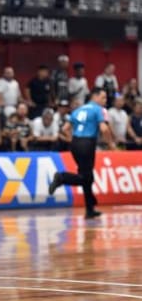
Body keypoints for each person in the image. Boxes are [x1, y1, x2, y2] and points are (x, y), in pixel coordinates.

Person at [49, 88, 116, 219]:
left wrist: (72, 139)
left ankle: (90, 209)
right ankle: (62, 178)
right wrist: (110, 144)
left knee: (87, 176)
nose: (105, 100)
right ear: (94, 97)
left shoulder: (78, 110)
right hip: (87, 144)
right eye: (103, 98)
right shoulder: (98, 110)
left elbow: (65, 129)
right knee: (86, 178)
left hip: (75, 143)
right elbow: (104, 128)